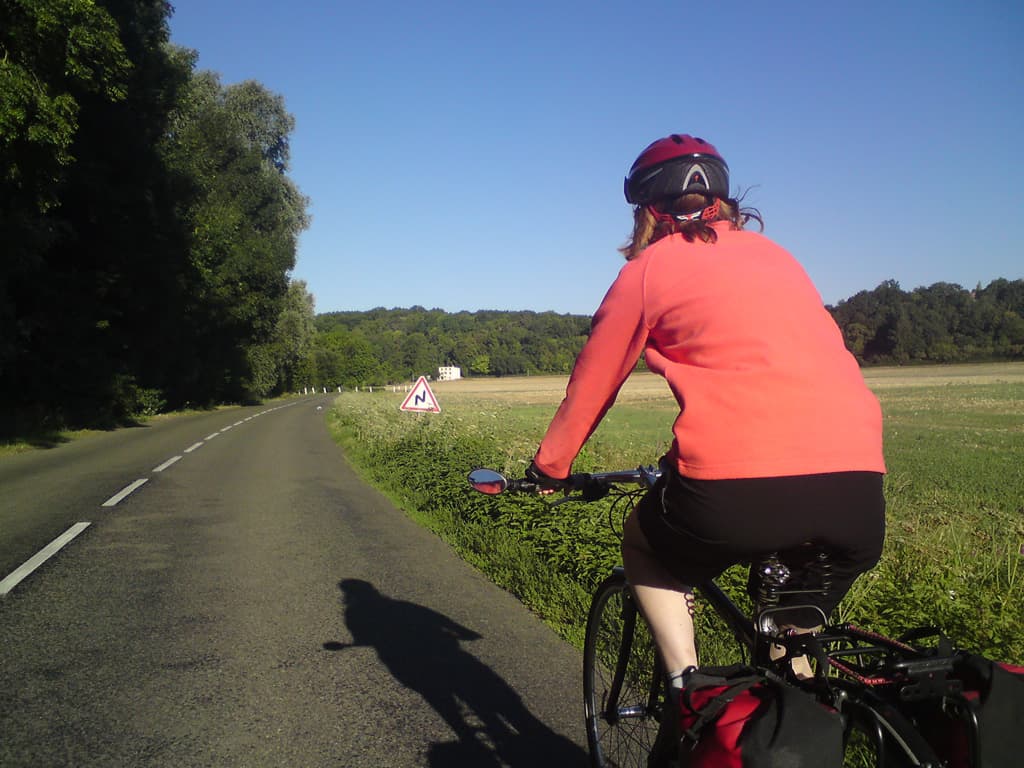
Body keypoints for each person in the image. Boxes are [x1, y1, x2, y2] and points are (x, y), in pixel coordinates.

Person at [526, 134, 886, 695]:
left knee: (644, 543)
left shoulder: (649, 269)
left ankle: (689, 693)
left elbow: (593, 384)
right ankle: (801, 717)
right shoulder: (779, 257)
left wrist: (551, 468)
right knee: (787, 637)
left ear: (647, 210)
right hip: (859, 495)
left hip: (731, 494)